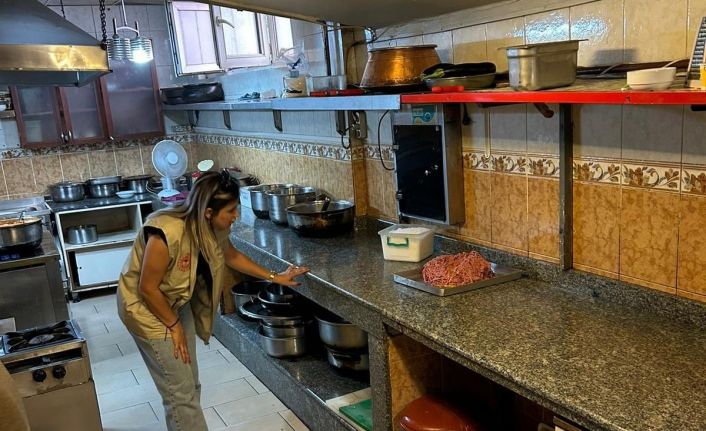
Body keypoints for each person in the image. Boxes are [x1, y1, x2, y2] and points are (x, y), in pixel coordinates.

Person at [117, 170, 308, 431]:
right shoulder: (166, 233)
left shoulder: (211, 226)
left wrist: (275, 277)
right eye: (231, 210)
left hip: (174, 301)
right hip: (145, 307)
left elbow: (230, 254)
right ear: (208, 212)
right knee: (180, 394)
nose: (236, 215)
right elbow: (148, 289)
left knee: (189, 383)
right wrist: (173, 325)